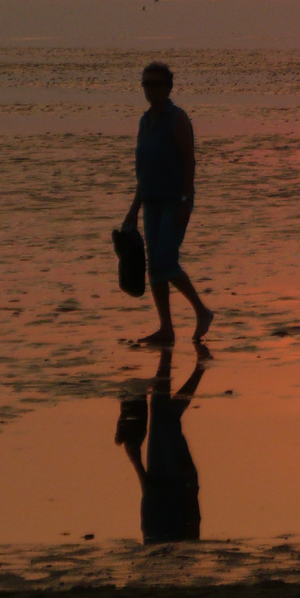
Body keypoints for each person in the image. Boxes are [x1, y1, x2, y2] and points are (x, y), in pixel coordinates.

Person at [122, 62, 213, 346]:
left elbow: (189, 160)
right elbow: (143, 169)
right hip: (150, 200)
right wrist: (133, 209)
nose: (151, 89)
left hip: (175, 199)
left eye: (156, 84)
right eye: (146, 84)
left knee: (165, 261)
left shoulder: (178, 118)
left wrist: (185, 199)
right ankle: (166, 328)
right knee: (154, 267)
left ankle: (201, 311)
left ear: (168, 87)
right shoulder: (145, 121)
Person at [116, 346, 205, 543]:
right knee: (165, 417)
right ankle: (186, 360)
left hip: (164, 483)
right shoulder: (166, 539)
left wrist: (136, 461)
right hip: (179, 483)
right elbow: (188, 512)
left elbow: (149, 496)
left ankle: (171, 355)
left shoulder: (153, 539)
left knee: (161, 412)